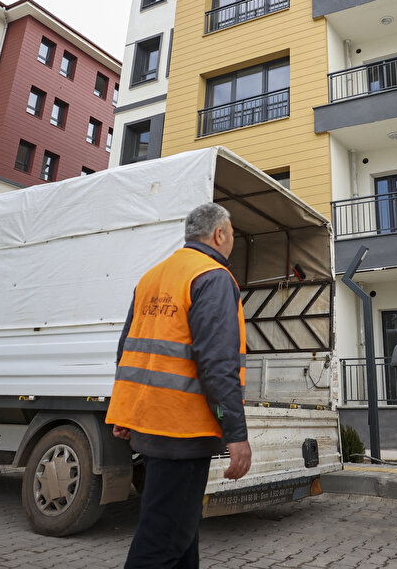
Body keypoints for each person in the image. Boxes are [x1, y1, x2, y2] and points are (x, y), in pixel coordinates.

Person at [107, 202, 251, 569]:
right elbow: (218, 365)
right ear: (219, 234)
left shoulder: (153, 277)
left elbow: (127, 353)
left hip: (153, 424)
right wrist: (236, 434)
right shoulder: (213, 277)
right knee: (162, 542)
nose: (232, 241)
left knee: (181, 537)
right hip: (183, 430)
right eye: (232, 234)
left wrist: (127, 413)